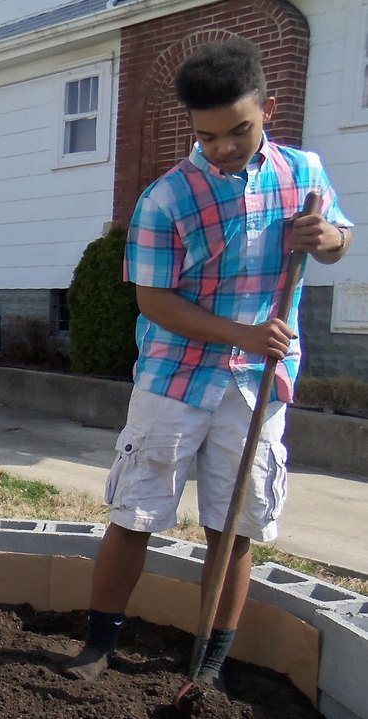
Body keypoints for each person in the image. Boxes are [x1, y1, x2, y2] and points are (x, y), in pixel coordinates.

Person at [64, 38, 353, 686]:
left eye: (239, 131)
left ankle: (209, 664)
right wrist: (240, 335)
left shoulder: (304, 176)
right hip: (174, 380)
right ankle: (97, 646)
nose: (224, 147)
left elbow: (340, 237)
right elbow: (153, 299)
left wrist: (327, 237)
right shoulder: (168, 199)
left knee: (234, 524)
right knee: (135, 512)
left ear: (268, 109)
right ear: (192, 127)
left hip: (258, 386)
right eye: (209, 135)